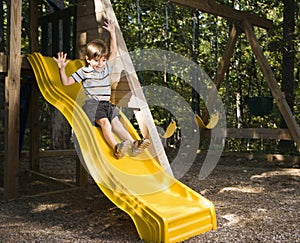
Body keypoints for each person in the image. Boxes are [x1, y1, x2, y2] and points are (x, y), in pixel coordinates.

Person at [53, 19, 150, 159]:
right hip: (93, 105)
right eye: (96, 60)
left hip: (107, 105)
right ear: (88, 59)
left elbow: (114, 51)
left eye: (103, 60)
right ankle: (116, 147)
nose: (100, 64)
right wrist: (61, 69)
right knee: (105, 123)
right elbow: (66, 82)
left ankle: (134, 145)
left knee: (117, 124)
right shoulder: (84, 72)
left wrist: (112, 33)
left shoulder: (106, 69)